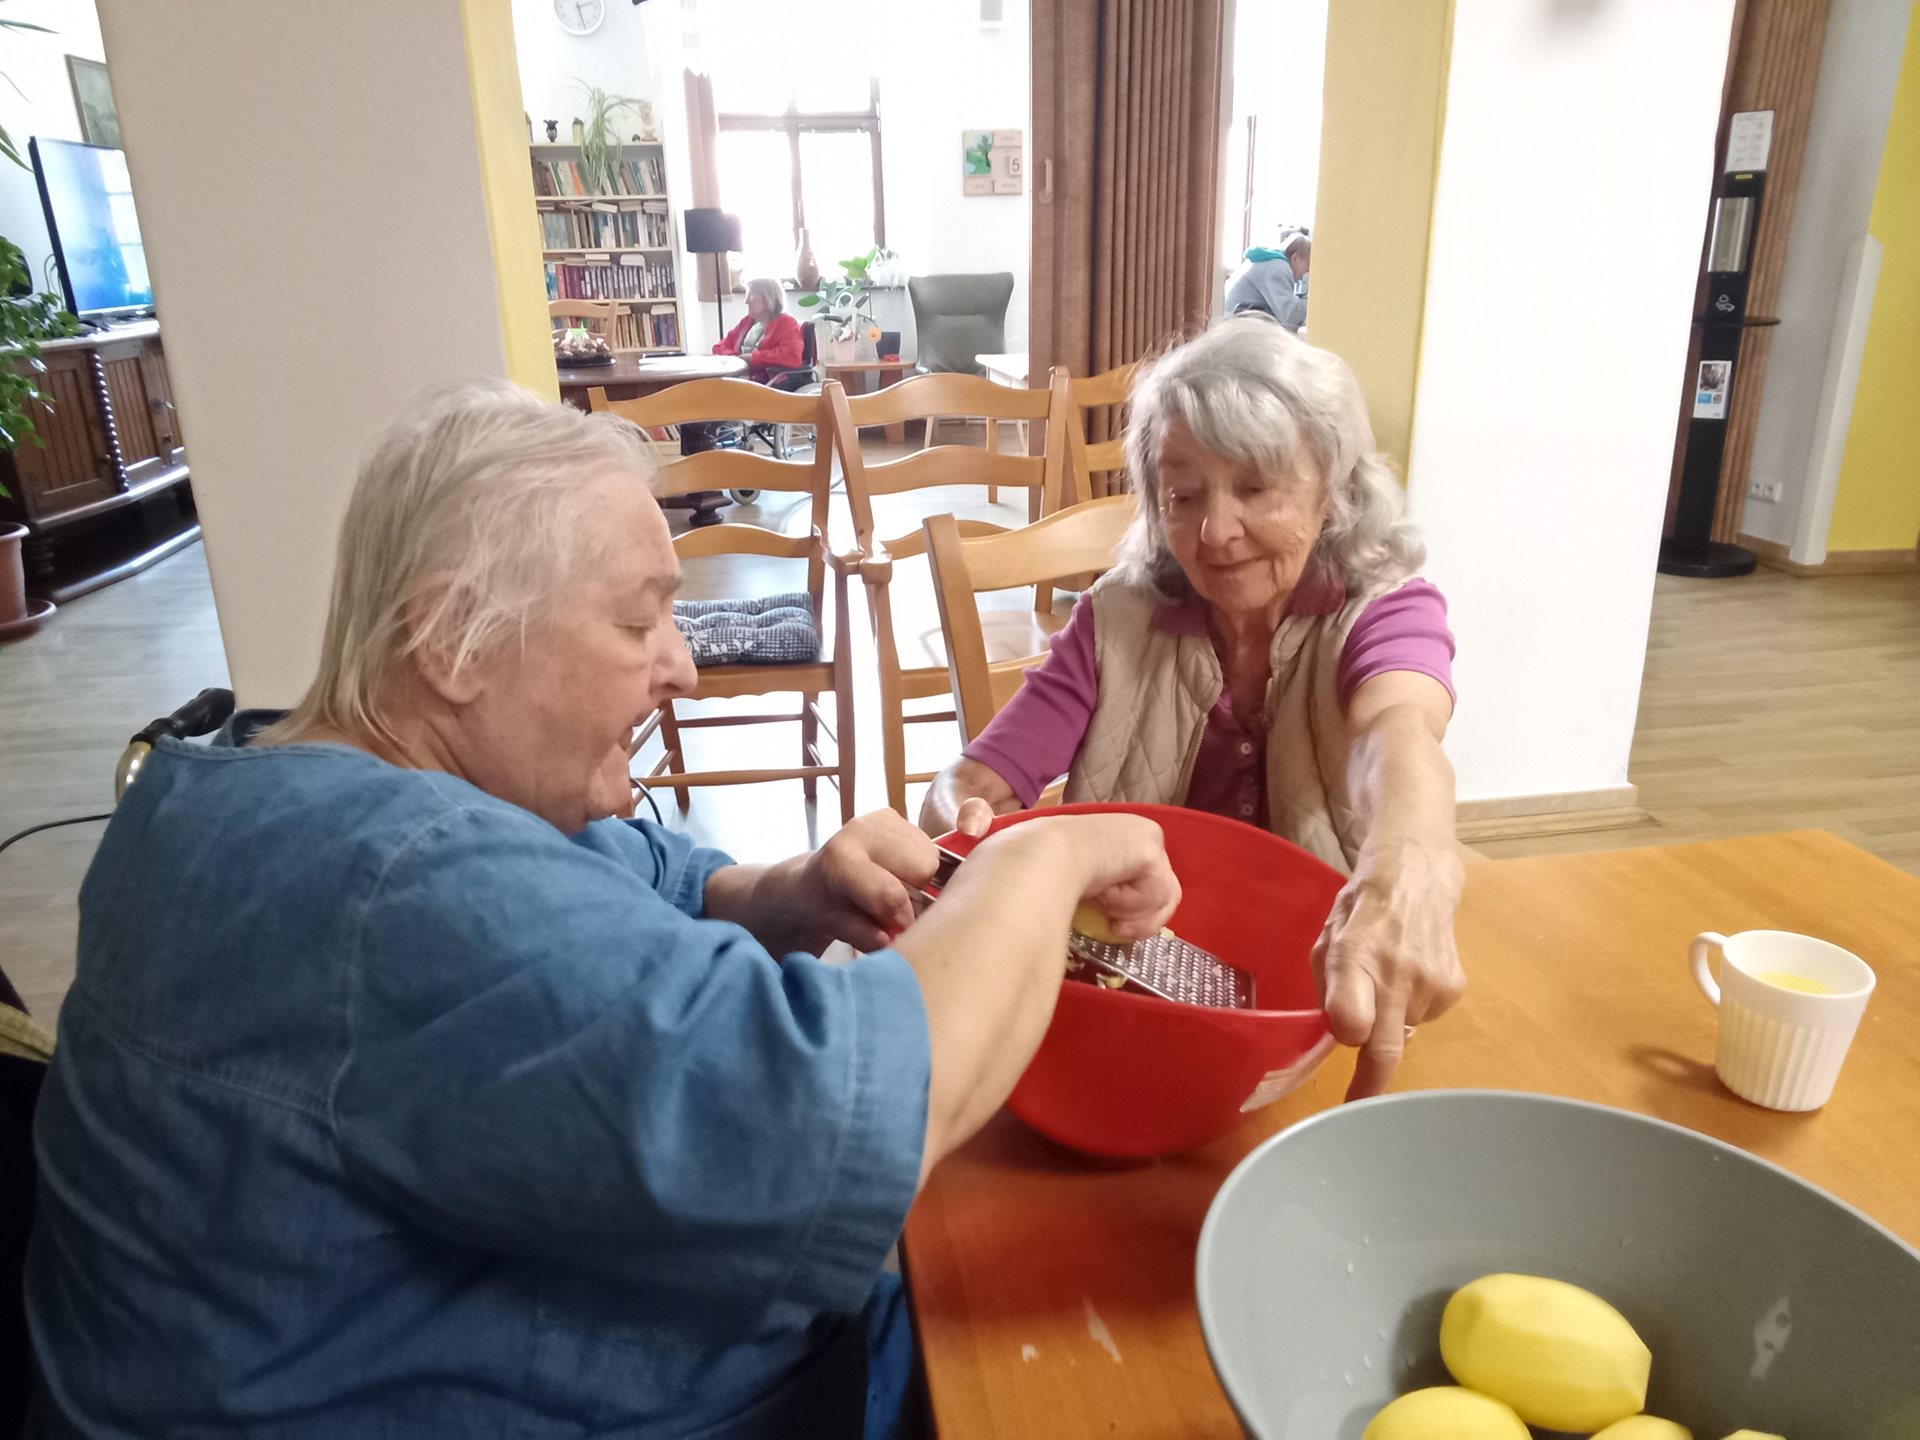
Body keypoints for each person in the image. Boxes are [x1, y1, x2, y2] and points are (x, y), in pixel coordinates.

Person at [25, 383, 1179, 1439]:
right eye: (637, 624)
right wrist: (1043, 860)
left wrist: (787, 895)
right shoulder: (391, 885)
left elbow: (626, 875)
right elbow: (835, 1109)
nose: (682, 667)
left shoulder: (250, 784)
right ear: (452, 640)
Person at [921, 317, 1464, 1101]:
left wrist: (1409, 865)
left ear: (1332, 489)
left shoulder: (1383, 612)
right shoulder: (1117, 620)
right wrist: (971, 826)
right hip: (1125, 1003)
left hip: (1310, 1005)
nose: (1215, 531)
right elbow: (976, 781)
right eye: (1183, 496)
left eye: (1255, 487)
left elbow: (1400, 731)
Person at [713, 275, 806, 386]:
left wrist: (752, 358)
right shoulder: (747, 322)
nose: (746, 301)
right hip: (739, 380)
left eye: (751, 295)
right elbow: (718, 347)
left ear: (769, 297)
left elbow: (791, 355)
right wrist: (736, 358)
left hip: (767, 384)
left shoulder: (786, 322)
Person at [1225, 229, 1310, 331]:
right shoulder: (1278, 268)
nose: (1307, 272)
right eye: (1308, 265)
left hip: (1234, 321)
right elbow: (1290, 316)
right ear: (1295, 258)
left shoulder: (1269, 260)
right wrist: (1313, 301)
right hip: (1241, 327)